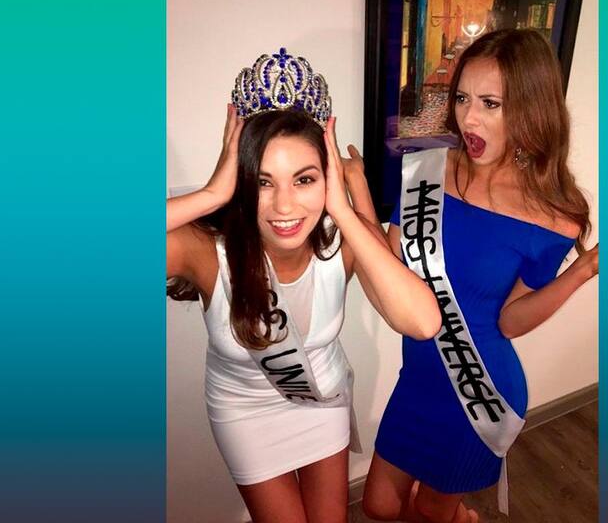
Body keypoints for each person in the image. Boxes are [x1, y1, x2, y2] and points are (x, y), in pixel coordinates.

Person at [166, 48, 440, 523]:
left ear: (325, 178)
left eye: (304, 179)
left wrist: (348, 206)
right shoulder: (207, 252)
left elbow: (422, 321)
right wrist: (211, 194)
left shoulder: (340, 240)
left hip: (322, 402)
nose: (285, 206)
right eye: (263, 182)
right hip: (245, 414)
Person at [362, 29, 599, 523]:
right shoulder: (425, 169)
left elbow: (510, 322)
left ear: (532, 110)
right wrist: (356, 199)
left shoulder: (553, 216)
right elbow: (391, 266)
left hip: (478, 390)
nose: (468, 118)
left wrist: (583, 270)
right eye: (463, 98)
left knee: (429, 512)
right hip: (420, 378)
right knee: (378, 505)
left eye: (490, 103)